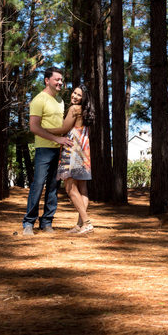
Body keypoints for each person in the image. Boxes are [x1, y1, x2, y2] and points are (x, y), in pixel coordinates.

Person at [22, 67, 72, 236]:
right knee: (37, 185)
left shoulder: (60, 100)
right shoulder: (39, 100)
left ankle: (47, 222)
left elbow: (62, 126)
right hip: (44, 149)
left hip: (59, 149)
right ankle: (28, 223)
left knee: (52, 187)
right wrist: (56, 139)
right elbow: (34, 127)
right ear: (47, 80)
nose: (60, 82)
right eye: (57, 79)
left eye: (61, 80)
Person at [56, 84, 95, 234]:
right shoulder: (87, 112)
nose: (75, 96)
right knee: (82, 188)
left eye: (79, 95)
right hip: (84, 152)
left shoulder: (74, 109)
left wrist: (41, 129)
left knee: (70, 188)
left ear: (84, 98)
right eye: (74, 93)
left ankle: (87, 222)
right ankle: (80, 225)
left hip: (73, 152)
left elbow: (63, 129)